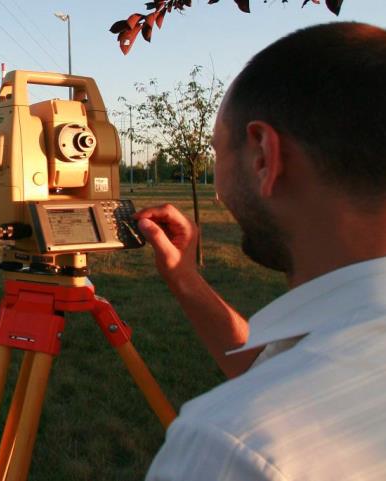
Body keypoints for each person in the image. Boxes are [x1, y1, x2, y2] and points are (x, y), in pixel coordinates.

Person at [135, 22, 386, 481]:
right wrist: (186, 280)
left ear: (264, 156)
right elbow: (282, 370)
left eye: (217, 152)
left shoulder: (234, 447)